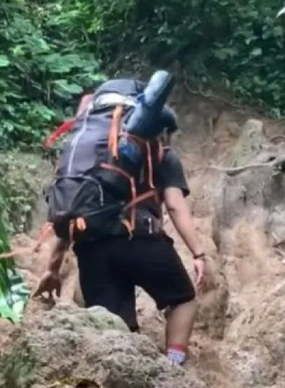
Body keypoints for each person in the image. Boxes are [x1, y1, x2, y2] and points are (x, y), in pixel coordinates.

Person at [33, 77, 207, 366]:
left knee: (117, 335)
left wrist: (52, 270)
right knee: (183, 299)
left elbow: (72, 213)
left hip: (92, 249)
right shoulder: (160, 153)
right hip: (141, 240)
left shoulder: (89, 154)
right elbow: (175, 206)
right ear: (160, 129)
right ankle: (173, 367)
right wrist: (198, 253)